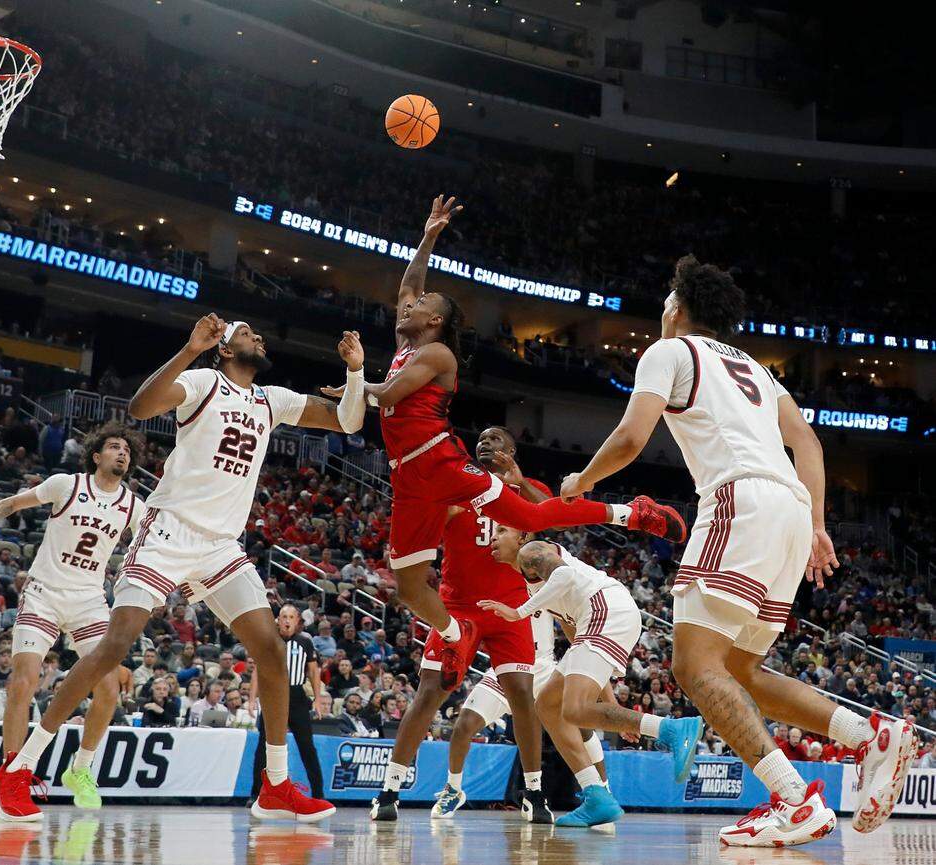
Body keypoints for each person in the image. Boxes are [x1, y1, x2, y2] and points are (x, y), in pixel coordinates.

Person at [559, 255, 915, 846]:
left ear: (677, 307)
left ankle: (795, 799)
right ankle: (870, 735)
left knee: (693, 667)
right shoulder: (754, 367)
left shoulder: (668, 352)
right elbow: (807, 441)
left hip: (739, 501)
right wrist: (819, 523)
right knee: (741, 672)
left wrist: (582, 482)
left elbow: (629, 438)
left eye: (666, 302)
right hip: (792, 511)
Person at [0, 314, 369, 823]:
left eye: (260, 332)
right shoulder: (203, 381)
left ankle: (275, 785)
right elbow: (140, 406)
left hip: (220, 545)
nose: (259, 335)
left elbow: (348, 420)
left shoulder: (270, 399)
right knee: (115, 644)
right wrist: (190, 349)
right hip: (169, 531)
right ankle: (18, 771)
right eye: (248, 332)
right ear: (224, 347)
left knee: (272, 652)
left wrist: (355, 372)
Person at [352, 195, 686, 692]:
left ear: (436, 321)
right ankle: (453, 632)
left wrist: (354, 380)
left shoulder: (437, 352)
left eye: (421, 306)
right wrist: (428, 236)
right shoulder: (406, 341)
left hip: (441, 463)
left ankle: (632, 514)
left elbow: (388, 394)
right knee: (406, 586)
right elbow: (409, 283)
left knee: (528, 517)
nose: (410, 304)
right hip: (407, 477)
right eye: (414, 302)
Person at [0, 422, 144, 819]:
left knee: (109, 688)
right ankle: (11, 778)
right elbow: (10, 505)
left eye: (127, 450)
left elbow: (151, 549)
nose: (123, 453)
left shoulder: (133, 506)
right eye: (115, 447)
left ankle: (81, 767)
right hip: (44, 593)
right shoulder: (65, 485)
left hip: (88, 600)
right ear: (96, 455)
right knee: (23, 683)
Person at [371, 429, 555, 823]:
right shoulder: (458, 485)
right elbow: (428, 520)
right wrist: (442, 510)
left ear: (511, 451)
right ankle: (389, 789)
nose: (486, 443)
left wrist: (519, 482)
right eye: (482, 439)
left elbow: (551, 517)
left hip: (509, 609)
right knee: (430, 693)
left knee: (522, 694)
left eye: (495, 439)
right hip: (458, 609)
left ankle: (534, 794)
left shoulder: (525, 490)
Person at [480, 527, 703, 826]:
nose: (493, 538)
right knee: (547, 705)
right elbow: (575, 636)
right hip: (595, 621)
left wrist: (518, 613)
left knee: (573, 710)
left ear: (522, 537)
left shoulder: (530, 552)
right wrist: (613, 707)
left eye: (503, 531)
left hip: (604, 609)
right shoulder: (531, 581)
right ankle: (597, 795)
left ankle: (672, 730)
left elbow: (565, 576)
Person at [251, 605, 326, 799]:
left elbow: (313, 672)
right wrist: (252, 699)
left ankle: (318, 794)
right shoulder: (269, 642)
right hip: (273, 696)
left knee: (307, 747)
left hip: (297, 697)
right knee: (263, 746)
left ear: (297, 621)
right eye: (284, 616)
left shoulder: (305, 642)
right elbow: (257, 671)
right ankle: (255, 794)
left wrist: (318, 699)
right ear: (278, 619)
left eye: (291, 617)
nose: (287, 620)